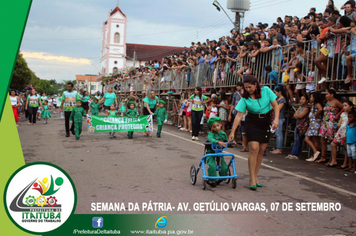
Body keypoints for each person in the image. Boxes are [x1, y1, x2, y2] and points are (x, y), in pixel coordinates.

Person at [229, 75, 280, 191]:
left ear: (256, 84)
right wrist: (232, 132)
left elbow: (275, 105)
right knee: (254, 148)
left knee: (261, 150)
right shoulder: (245, 98)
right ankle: (252, 178)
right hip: (252, 122)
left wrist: (276, 119)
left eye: (250, 87)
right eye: (246, 87)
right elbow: (239, 115)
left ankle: (255, 176)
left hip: (265, 121)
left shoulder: (266, 91)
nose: (248, 89)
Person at [316, 89, 343, 163]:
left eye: (327, 94)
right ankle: (323, 156)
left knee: (331, 140)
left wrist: (338, 114)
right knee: (323, 139)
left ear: (332, 94)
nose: (326, 96)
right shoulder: (327, 102)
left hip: (332, 122)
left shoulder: (336, 101)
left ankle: (332, 158)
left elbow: (343, 108)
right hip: (325, 122)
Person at [328, 101, 354, 167]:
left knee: (346, 147)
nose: (344, 107)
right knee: (333, 144)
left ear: (351, 106)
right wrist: (338, 124)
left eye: (346, 106)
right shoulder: (343, 114)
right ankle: (334, 160)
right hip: (341, 131)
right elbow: (339, 121)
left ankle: (345, 163)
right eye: (343, 106)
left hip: (347, 132)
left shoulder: (352, 115)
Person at [206, 116, 229, 187]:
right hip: (211, 152)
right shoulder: (211, 133)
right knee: (212, 165)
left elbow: (226, 142)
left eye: (218, 126)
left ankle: (223, 177)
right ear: (211, 127)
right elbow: (211, 139)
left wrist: (232, 143)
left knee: (224, 166)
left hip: (219, 152)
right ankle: (212, 180)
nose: (217, 128)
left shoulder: (223, 134)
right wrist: (218, 141)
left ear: (221, 125)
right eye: (214, 126)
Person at [285, 95, 310, 160]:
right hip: (298, 124)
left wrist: (297, 115)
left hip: (302, 125)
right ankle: (293, 153)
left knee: (299, 139)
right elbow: (295, 115)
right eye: (301, 99)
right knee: (296, 139)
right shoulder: (300, 107)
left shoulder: (306, 108)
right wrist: (297, 115)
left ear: (307, 100)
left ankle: (296, 154)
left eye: (303, 99)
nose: (301, 100)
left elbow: (300, 116)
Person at [305, 92, 324, 162]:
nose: (310, 98)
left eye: (311, 97)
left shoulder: (317, 104)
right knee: (314, 139)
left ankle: (315, 152)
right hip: (313, 123)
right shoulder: (313, 104)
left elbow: (321, 109)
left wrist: (316, 114)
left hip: (315, 124)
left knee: (307, 138)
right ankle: (315, 154)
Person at [270, 87, 287, 155]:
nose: (275, 93)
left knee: (278, 133)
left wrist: (272, 107)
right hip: (276, 118)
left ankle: (279, 148)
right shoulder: (278, 99)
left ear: (279, 92)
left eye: (276, 92)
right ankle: (278, 147)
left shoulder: (282, 100)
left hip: (280, 118)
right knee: (277, 133)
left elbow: (278, 108)